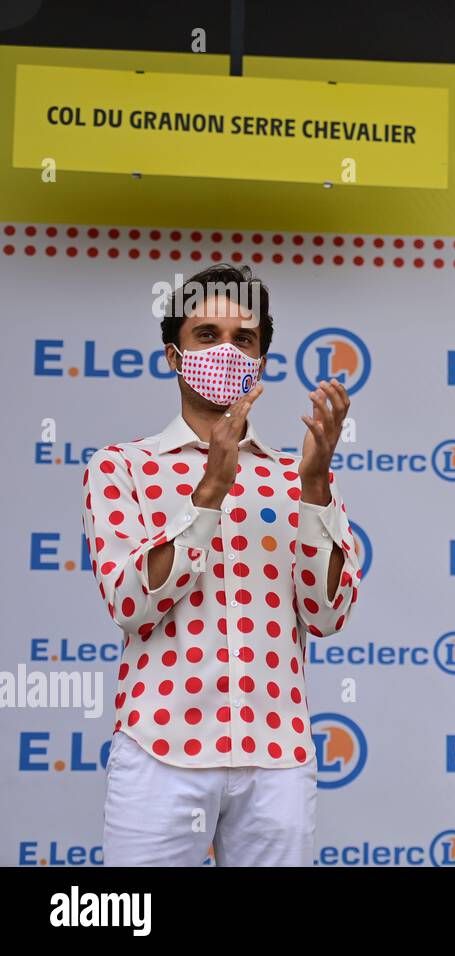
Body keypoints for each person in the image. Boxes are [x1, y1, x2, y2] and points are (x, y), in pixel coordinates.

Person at [81, 263, 362, 866]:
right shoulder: (121, 467)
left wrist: (315, 486)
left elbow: (327, 613)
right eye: (206, 335)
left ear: (261, 359)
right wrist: (209, 490)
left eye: (244, 339)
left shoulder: (296, 474)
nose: (226, 351)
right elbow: (132, 606)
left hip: (276, 756)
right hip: (161, 749)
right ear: (173, 355)